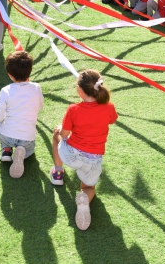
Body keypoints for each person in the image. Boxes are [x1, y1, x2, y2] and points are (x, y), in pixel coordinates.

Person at [50, 70, 117, 231]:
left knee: (56, 135)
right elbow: (113, 119)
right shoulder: (108, 107)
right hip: (93, 160)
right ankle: (84, 199)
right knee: (88, 187)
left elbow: (64, 135)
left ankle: (58, 173)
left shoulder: (73, 109)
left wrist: (60, 128)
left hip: (71, 154)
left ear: (80, 91)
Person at [0, 51, 44, 178]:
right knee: (29, 150)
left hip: (7, 135)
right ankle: (22, 151)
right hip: (27, 137)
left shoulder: (5, 91)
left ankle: (6, 150)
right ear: (30, 71)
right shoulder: (36, 87)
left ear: (10, 75)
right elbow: (40, 106)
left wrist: (0, 119)